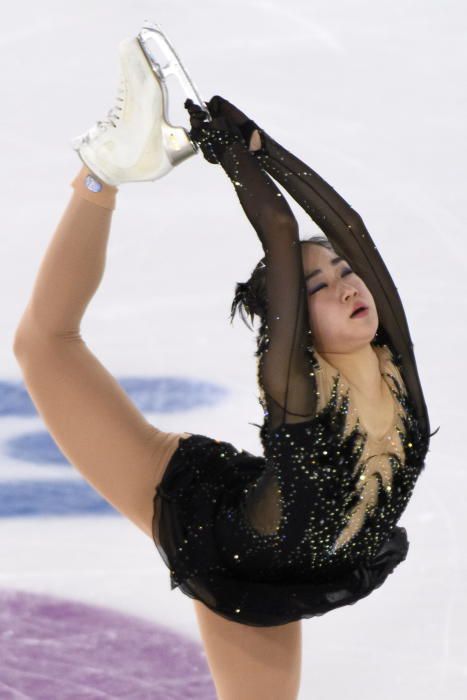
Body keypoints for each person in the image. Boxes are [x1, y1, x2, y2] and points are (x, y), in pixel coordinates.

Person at [12, 32, 437, 700]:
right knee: (44, 345)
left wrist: (260, 146)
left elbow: (348, 224)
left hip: (283, 559)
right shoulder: (298, 394)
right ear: (293, 330)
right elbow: (275, 232)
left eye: (345, 273)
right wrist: (235, 160)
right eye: (320, 287)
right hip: (225, 546)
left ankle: (117, 163)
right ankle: (103, 168)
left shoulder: (396, 370)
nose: (349, 285)